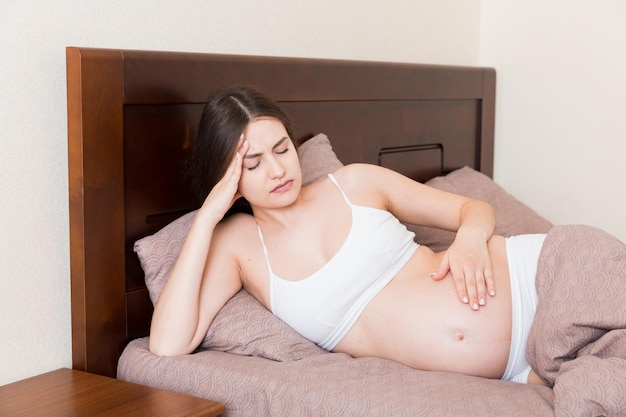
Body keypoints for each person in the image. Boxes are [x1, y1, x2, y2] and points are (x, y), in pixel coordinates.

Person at [149, 86, 548, 384]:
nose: (277, 169)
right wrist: (206, 218)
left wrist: (470, 241)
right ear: (227, 176)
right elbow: (167, 344)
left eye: (282, 148)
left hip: (532, 277)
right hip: (514, 370)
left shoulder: (354, 183)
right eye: (253, 163)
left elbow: (473, 210)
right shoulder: (237, 246)